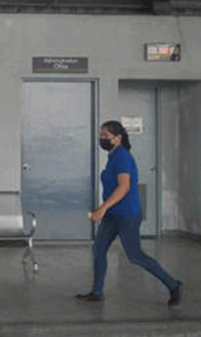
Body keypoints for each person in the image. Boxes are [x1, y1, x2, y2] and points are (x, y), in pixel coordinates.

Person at [75, 121, 182, 305]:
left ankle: (173, 285)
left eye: (105, 136)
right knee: (99, 250)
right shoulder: (113, 156)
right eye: (100, 135)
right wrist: (106, 209)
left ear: (118, 138)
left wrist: (102, 208)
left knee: (135, 255)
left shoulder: (123, 157)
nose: (102, 139)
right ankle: (97, 292)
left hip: (127, 215)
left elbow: (124, 187)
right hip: (112, 215)